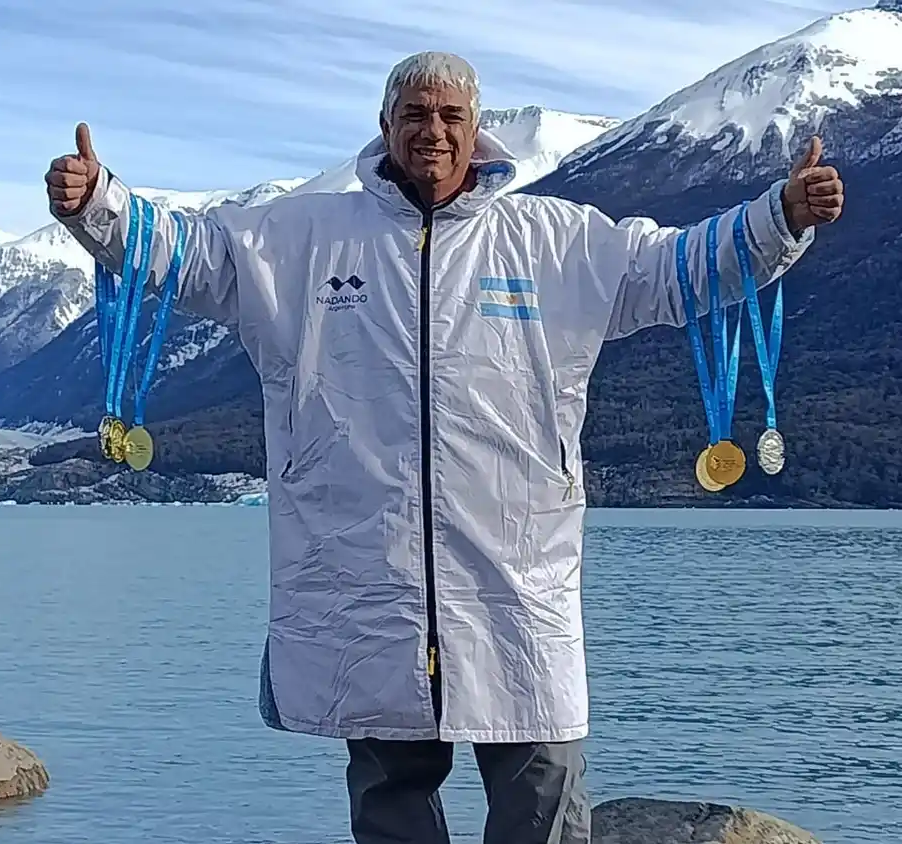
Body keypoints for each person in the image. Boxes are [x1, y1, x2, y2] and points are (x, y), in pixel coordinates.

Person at [44, 51, 844, 844]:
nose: (433, 130)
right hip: (366, 571)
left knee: (543, 786)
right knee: (390, 792)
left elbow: (678, 267)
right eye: (416, 114)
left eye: (451, 115)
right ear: (384, 125)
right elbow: (193, 254)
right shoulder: (303, 239)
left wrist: (781, 217)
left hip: (516, 574)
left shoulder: (555, 242)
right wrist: (99, 207)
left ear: (478, 131)